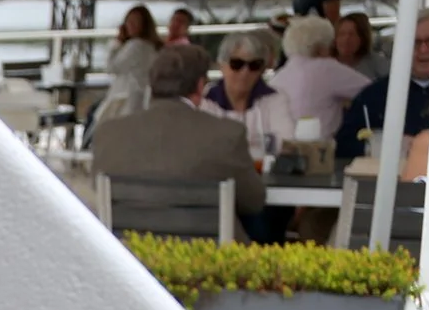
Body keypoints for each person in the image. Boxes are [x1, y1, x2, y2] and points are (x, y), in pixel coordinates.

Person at [91, 44, 267, 238]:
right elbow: (253, 201)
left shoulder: (108, 133)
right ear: (200, 86)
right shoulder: (227, 134)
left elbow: (97, 190)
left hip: (130, 254)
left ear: (152, 83)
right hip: (207, 257)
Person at [337, 9, 429, 162]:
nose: (423, 50)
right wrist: (379, 146)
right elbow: (343, 145)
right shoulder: (375, 96)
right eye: (415, 43)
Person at [270, 16, 373, 142]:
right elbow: (374, 92)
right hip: (318, 150)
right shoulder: (326, 69)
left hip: (280, 148)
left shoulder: (279, 76)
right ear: (320, 47)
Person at [200, 29, 297, 158]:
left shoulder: (275, 98)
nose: (245, 72)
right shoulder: (205, 99)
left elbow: (286, 143)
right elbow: (202, 147)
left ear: (262, 69)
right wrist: (259, 146)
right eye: (237, 64)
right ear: (221, 66)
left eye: (254, 65)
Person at [102, 4, 162, 120]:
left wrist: (116, 43)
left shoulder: (135, 46)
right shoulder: (153, 47)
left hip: (126, 97)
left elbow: (112, 67)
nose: (131, 25)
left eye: (135, 21)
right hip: (144, 96)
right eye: (129, 21)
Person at [334, 12, 385, 81]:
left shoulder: (376, 63)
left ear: (363, 38)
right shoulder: (327, 64)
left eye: (352, 34)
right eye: (342, 34)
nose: (346, 39)